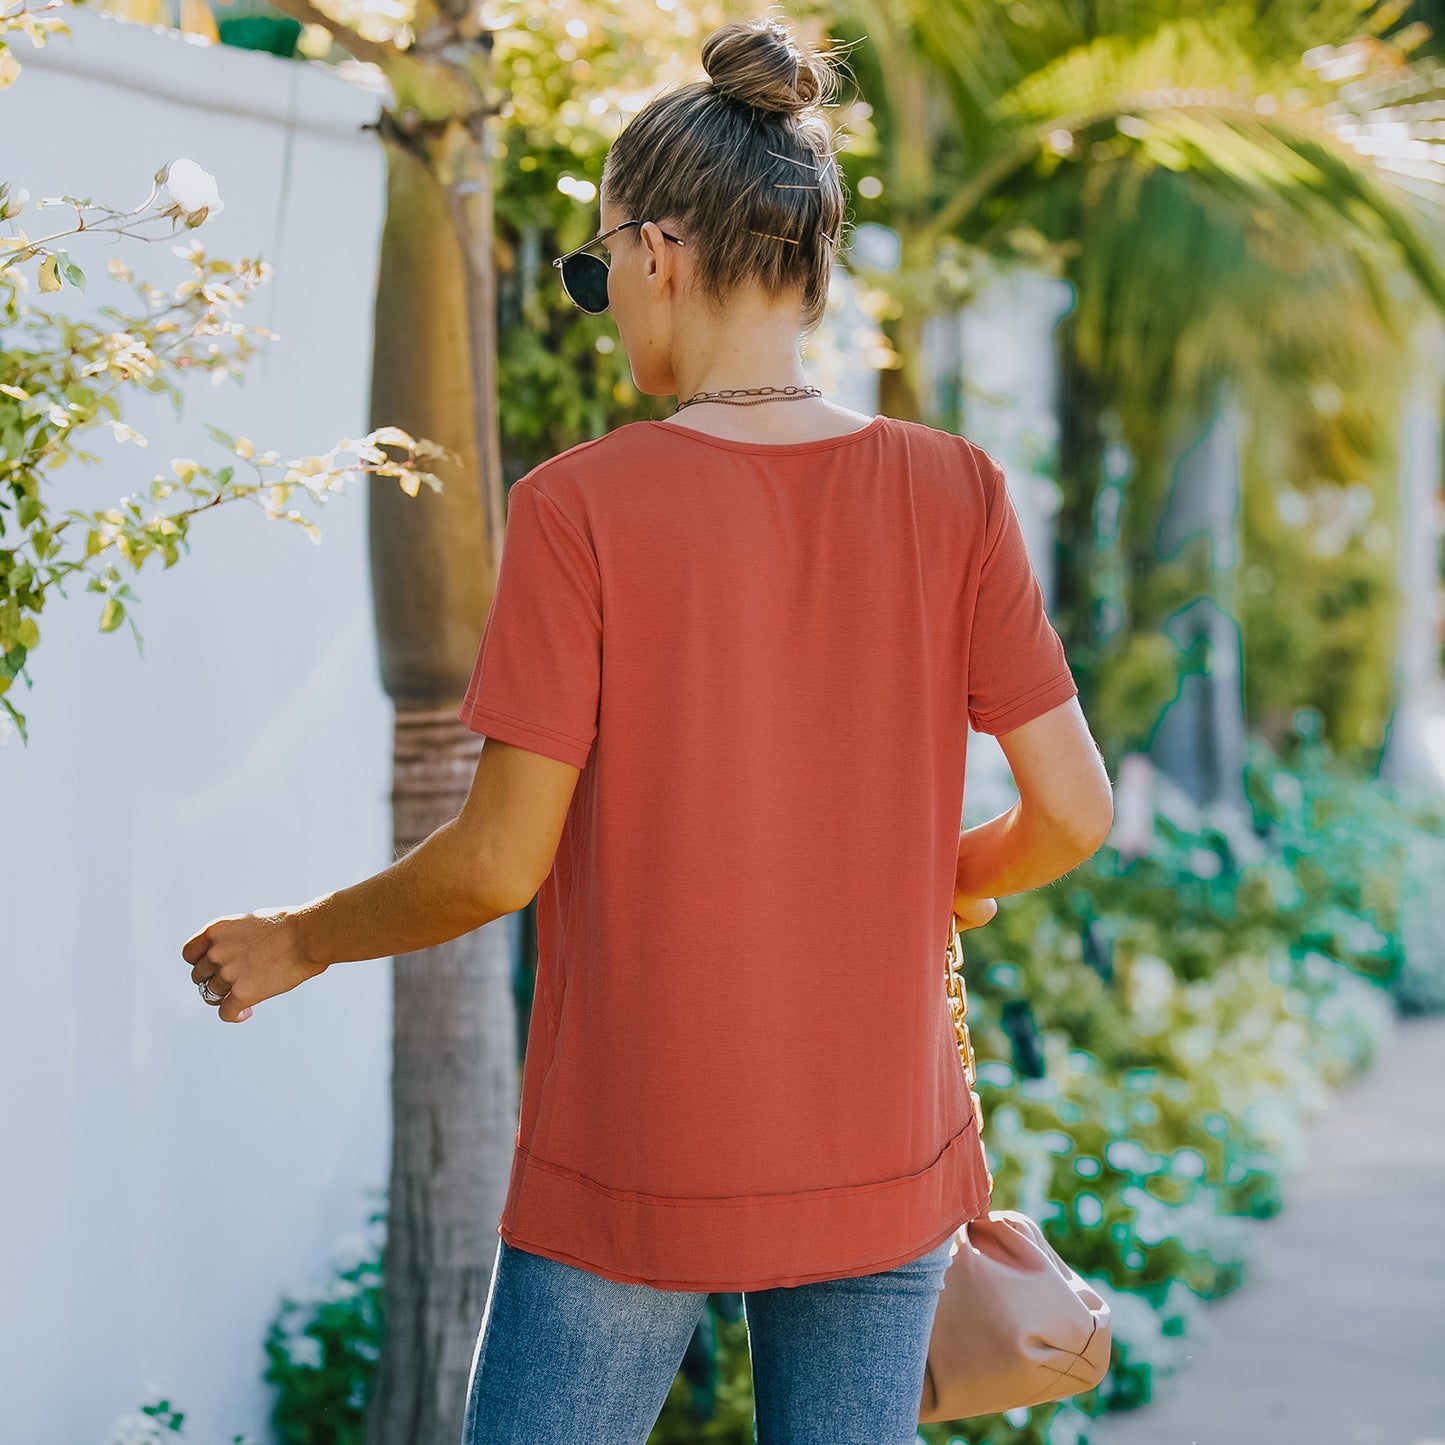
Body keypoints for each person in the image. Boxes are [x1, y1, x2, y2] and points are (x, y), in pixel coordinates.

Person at [181, 13, 1114, 1443]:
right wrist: (951, 872)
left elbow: (500, 862)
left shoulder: (580, 509)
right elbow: (1075, 813)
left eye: (597, 263)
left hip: (634, 1156)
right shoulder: (957, 494)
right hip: (880, 1148)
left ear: (658, 252)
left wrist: (302, 935)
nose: (604, 294)